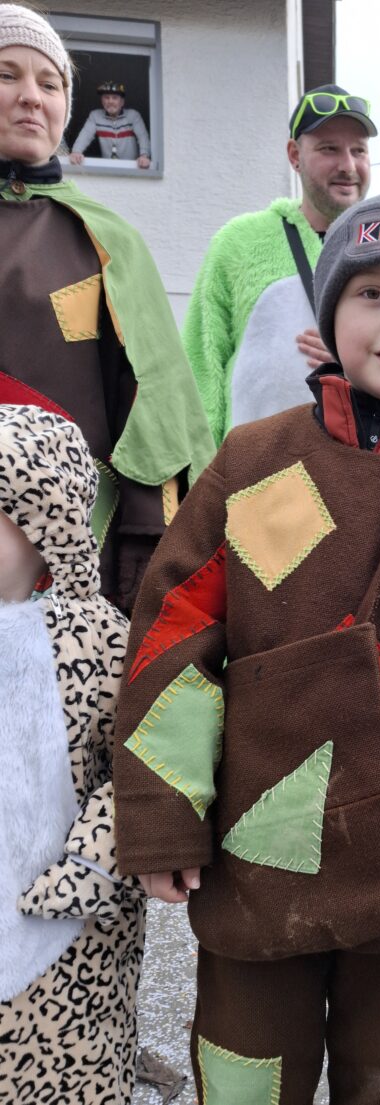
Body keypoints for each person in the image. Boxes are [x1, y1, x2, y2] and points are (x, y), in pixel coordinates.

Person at [113, 192, 380, 1103]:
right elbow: (174, 636)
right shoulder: (251, 460)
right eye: (372, 294)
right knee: (245, 1072)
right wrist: (163, 811)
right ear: (328, 313)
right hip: (255, 848)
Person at [0, 3, 215, 612]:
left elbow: (151, 405)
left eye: (50, 84)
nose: (31, 96)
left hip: (69, 555)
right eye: (7, 75)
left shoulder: (108, 240)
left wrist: (145, 542)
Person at [0, 405, 145, 1103]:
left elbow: (144, 761)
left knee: (67, 1067)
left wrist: (95, 862)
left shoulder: (97, 637)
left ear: (44, 521)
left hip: (67, 938)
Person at [183, 83, 376, 444]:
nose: (348, 166)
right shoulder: (239, 242)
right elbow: (200, 367)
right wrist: (202, 468)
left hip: (355, 469)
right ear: (294, 155)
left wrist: (361, 362)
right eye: (329, 149)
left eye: (359, 150)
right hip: (250, 469)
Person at [69, 79, 151, 168]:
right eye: (106, 97)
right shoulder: (95, 116)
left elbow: (143, 137)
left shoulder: (133, 116)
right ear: (102, 101)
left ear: (122, 102)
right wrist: (76, 152)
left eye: (115, 98)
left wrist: (144, 156)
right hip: (108, 168)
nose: (110, 101)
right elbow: (85, 135)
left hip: (132, 168)